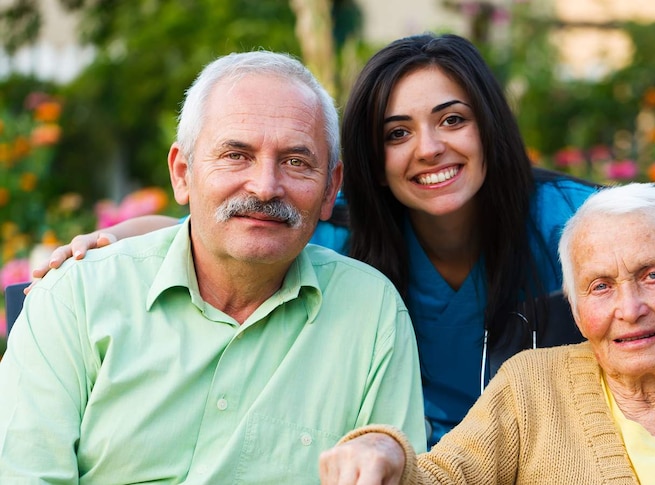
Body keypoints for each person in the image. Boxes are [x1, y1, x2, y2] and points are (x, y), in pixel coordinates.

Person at [30, 33, 655, 448]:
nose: (428, 149)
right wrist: (124, 240)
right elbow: (242, 216)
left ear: (487, 127)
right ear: (367, 162)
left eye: (451, 119)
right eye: (397, 132)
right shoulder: (353, 232)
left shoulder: (565, 218)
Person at [0, 51, 425, 482]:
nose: (265, 187)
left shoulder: (372, 313)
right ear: (182, 173)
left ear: (330, 187)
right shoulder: (77, 298)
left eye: (296, 161)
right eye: (236, 155)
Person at [317, 182, 655, 485]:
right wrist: (385, 452)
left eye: (652, 275)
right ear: (575, 309)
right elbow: (443, 478)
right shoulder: (529, 388)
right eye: (600, 286)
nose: (630, 308)